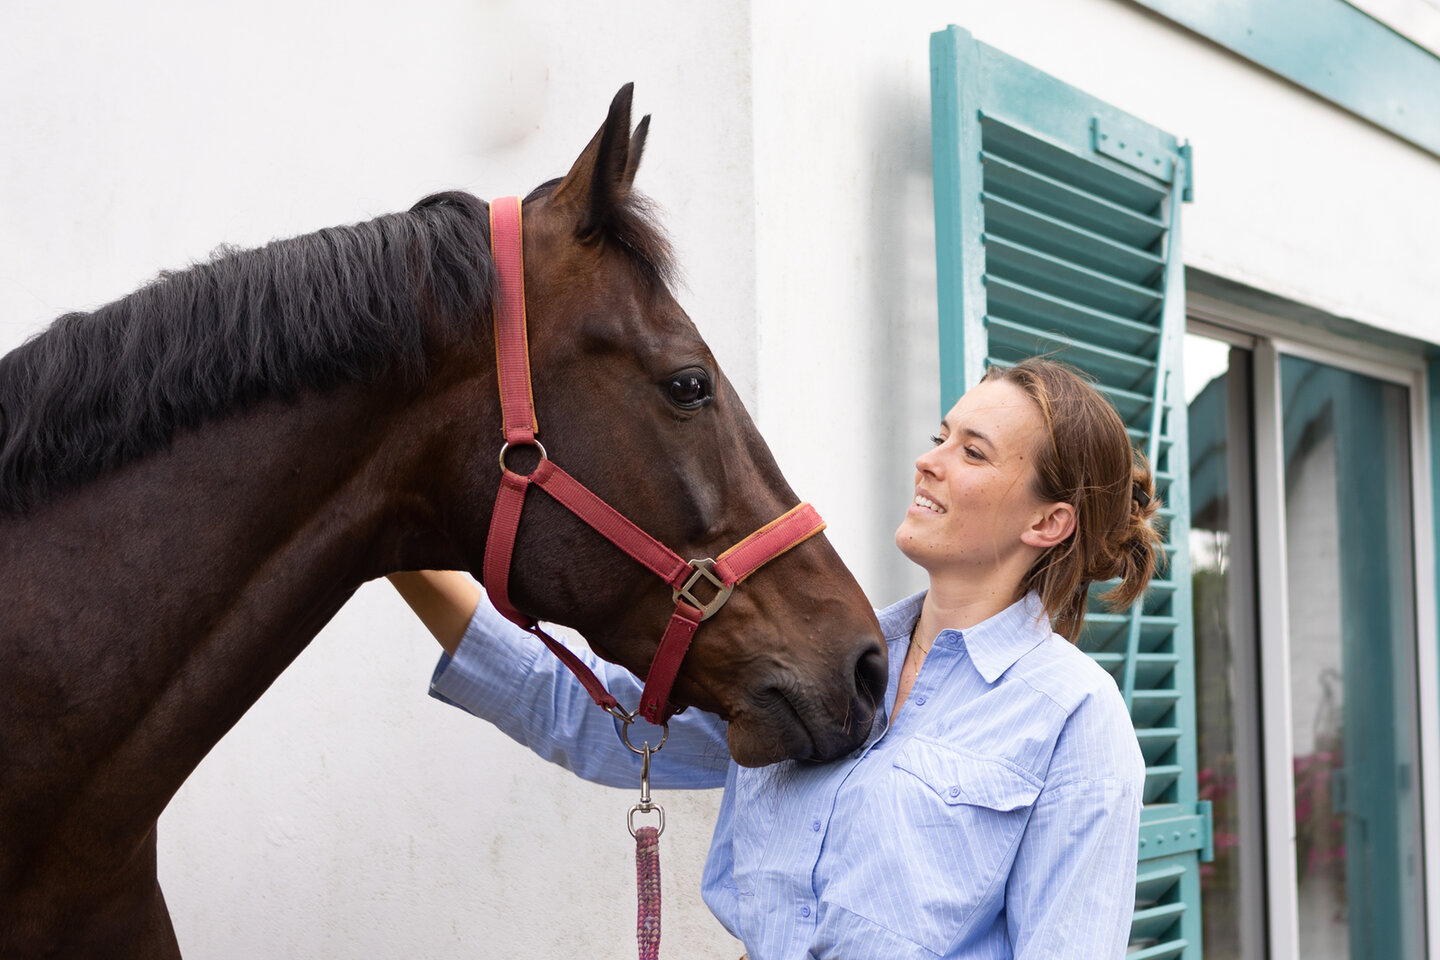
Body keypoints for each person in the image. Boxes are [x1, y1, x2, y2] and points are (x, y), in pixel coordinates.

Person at [391, 357, 1158, 959]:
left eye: (974, 453)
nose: (930, 462)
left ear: (1049, 522)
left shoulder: (1074, 719)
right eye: (941, 437)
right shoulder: (819, 664)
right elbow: (585, 717)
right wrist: (389, 529)